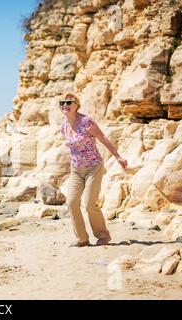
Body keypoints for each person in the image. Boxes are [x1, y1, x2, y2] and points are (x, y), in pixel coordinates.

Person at [59, 93, 128, 247]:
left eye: (69, 102)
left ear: (76, 105)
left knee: (90, 204)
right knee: (71, 202)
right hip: (76, 169)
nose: (65, 105)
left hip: (93, 167)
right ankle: (82, 239)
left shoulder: (86, 121)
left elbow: (103, 138)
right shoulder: (64, 126)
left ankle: (103, 236)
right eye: (62, 102)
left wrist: (118, 156)